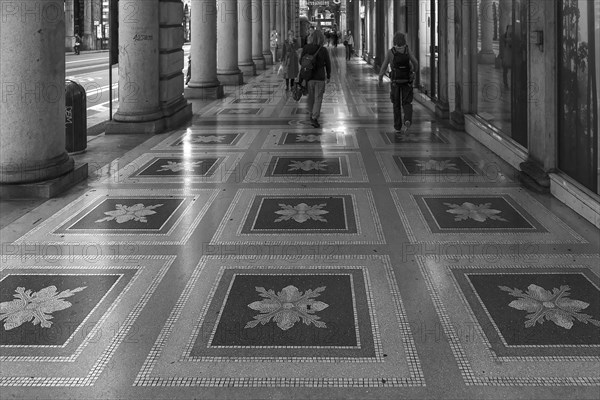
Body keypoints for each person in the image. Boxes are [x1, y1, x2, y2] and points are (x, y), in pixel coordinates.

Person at [378, 32, 418, 134]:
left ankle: (397, 126)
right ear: (404, 40)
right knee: (407, 102)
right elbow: (415, 62)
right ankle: (407, 119)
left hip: (395, 81)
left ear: (394, 41)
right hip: (407, 81)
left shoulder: (391, 52)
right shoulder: (407, 50)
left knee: (396, 104)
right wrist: (414, 71)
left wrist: (380, 77)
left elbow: (384, 65)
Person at [300, 29, 331, 128]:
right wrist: (329, 75)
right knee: (318, 98)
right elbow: (328, 64)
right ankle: (314, 117)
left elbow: (301, 61)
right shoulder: (323, 50)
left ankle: (311, 113)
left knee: (311, 97)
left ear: (311, 37)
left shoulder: (306, 48)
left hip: (309, 77)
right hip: (320, 77)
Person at [500, 25, 512, 89]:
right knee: (505, 72)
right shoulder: (503, 37)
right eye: (509, 29)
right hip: (505, 56)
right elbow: (501, 47)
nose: (511, 30)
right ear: (507, 29)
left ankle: (513, 84)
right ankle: (506, 84)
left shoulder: (513, 37)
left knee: (513, 72)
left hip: (511, 57)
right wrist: (501, 56)